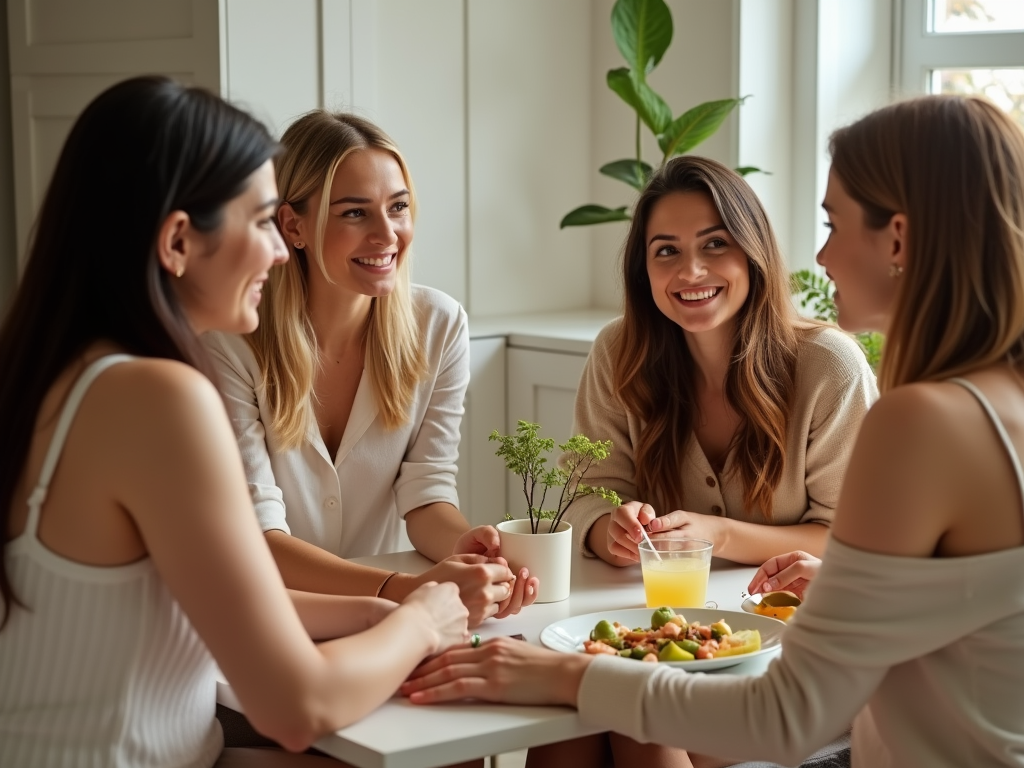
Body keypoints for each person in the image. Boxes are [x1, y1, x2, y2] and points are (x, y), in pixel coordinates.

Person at [401, 94, 1024, 767]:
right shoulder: (995, 401)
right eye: (665, 251)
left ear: (897, 238)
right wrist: (851, 586)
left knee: (595, 709)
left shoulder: (920, 419)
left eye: (832, 222)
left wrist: (560, 673)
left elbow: (787, 715)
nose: (821, 254)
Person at [0, 76, 470, 767]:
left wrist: (380, 612)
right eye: (260, 222)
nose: (281, 251)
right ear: (179, 242)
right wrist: (419, 620)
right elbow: (296, 705)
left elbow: (206, 598)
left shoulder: (60, 369)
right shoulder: (158, 398)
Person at [204, 111, 538, 626]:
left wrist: (465, 550)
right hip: (265, 618)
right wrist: (406, 591)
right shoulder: (231, 343)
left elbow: (426, 492)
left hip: (383, 620)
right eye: (355, 214)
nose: (388, 235)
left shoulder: (439, 325)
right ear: (294, 226)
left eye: (398, 207)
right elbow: (259, 537)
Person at [563, 156, 877, 576]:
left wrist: (719, 535)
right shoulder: (617, 352)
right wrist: (610, 531)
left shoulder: (831, 368)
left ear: (752, 251)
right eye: (667, 251)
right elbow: (586, 494)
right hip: (656, 616)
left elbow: (850, 536)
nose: (690, 271)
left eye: (715, 244)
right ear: (644, 271)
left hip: (784, 615)